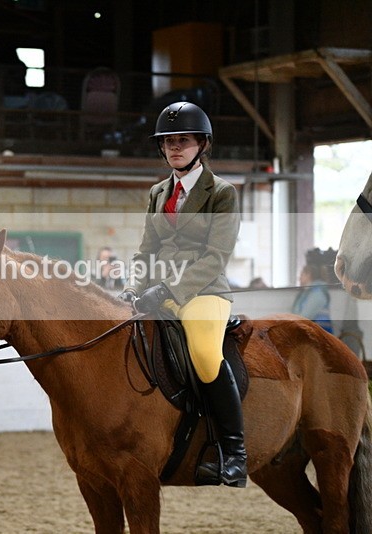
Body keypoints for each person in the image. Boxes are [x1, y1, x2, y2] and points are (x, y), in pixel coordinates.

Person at [117, 102, 245, 487]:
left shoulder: (222, 193)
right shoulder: (158, 192)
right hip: (157, 291)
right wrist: (133, 287)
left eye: (183, 140)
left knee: (204, 355)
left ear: (201, 144)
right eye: (168, 141)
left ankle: (234, 453)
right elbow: (146, 251)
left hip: (203, 291)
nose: (175, 147)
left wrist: (168, 289)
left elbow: (216, 256)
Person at [292, 264, 333, 333]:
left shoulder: (317, 293)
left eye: (302, 274)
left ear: (308, 275)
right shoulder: (306, 293)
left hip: (321, 333)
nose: (299, 278)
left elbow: (305, 317)